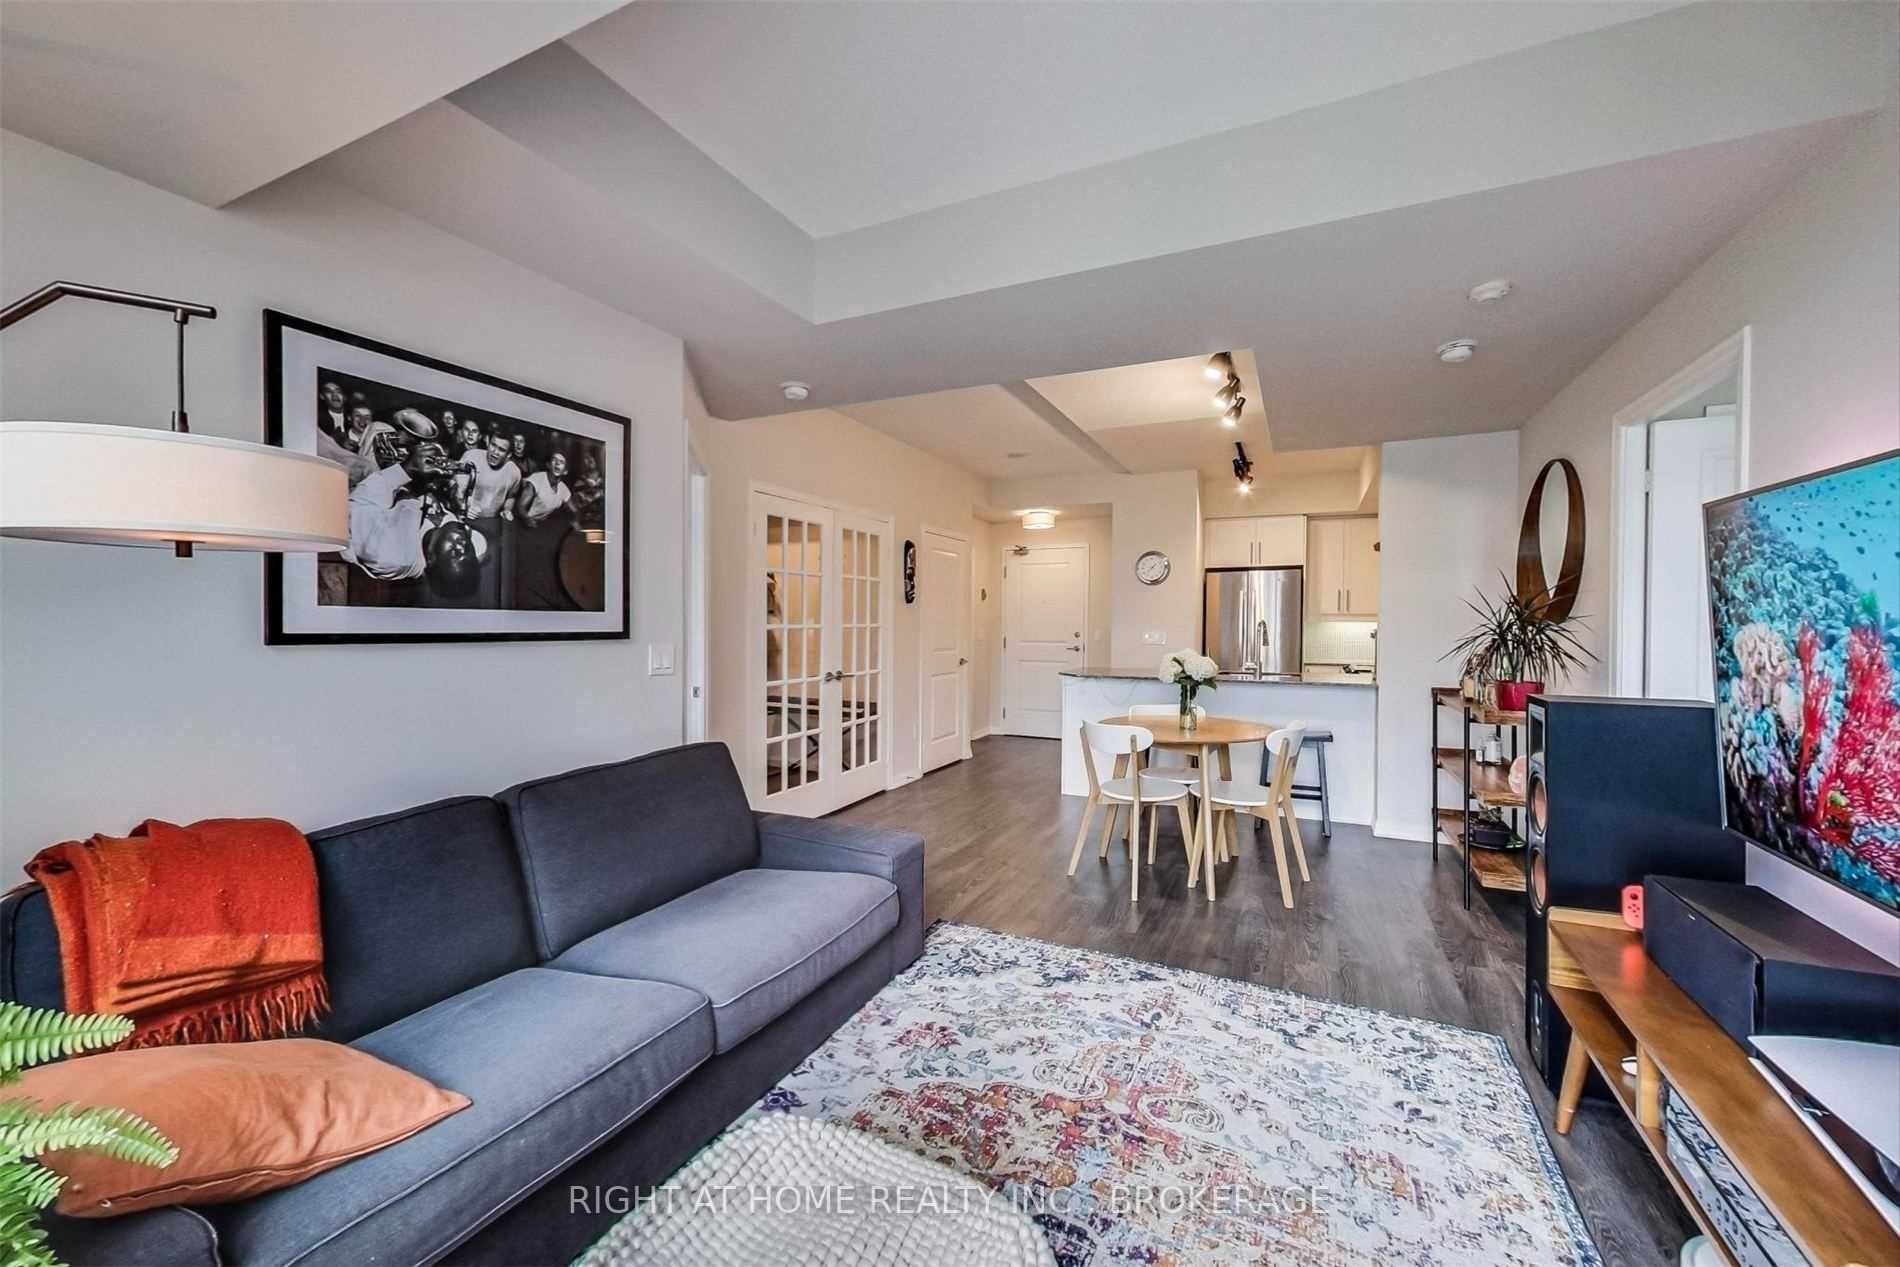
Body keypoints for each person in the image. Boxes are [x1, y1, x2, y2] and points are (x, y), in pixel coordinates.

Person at [339, 441, 483, 597]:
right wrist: (451, 491)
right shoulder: (441, 534)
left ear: (430, 560)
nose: (463, 545)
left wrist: (405, 470)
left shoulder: (391, 556)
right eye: (470, 551)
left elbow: (352, 505)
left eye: (455, 553)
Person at [515, 451, 571, 525]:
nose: (557, 463)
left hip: (540, 525)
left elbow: (573, 510)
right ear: (548, 465)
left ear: (565, 471)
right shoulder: (536, 479)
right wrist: (527, 519)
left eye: (561, 462)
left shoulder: (564, 490)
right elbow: (520, 506)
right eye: (554, 460)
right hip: (520, 523)